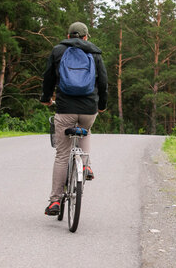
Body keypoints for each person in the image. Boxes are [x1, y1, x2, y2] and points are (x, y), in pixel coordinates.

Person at [40, 22, 108, 216]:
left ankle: (55, 201)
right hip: (88, 109)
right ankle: (86, 165)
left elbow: (48, 78)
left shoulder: (58, 51)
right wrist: (101, 105)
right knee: (86, 130)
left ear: (68, 36)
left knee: (62, 155)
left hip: (65, 108)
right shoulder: (95, 53)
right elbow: (103, 82)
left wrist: (46, 99)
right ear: (86, 37)